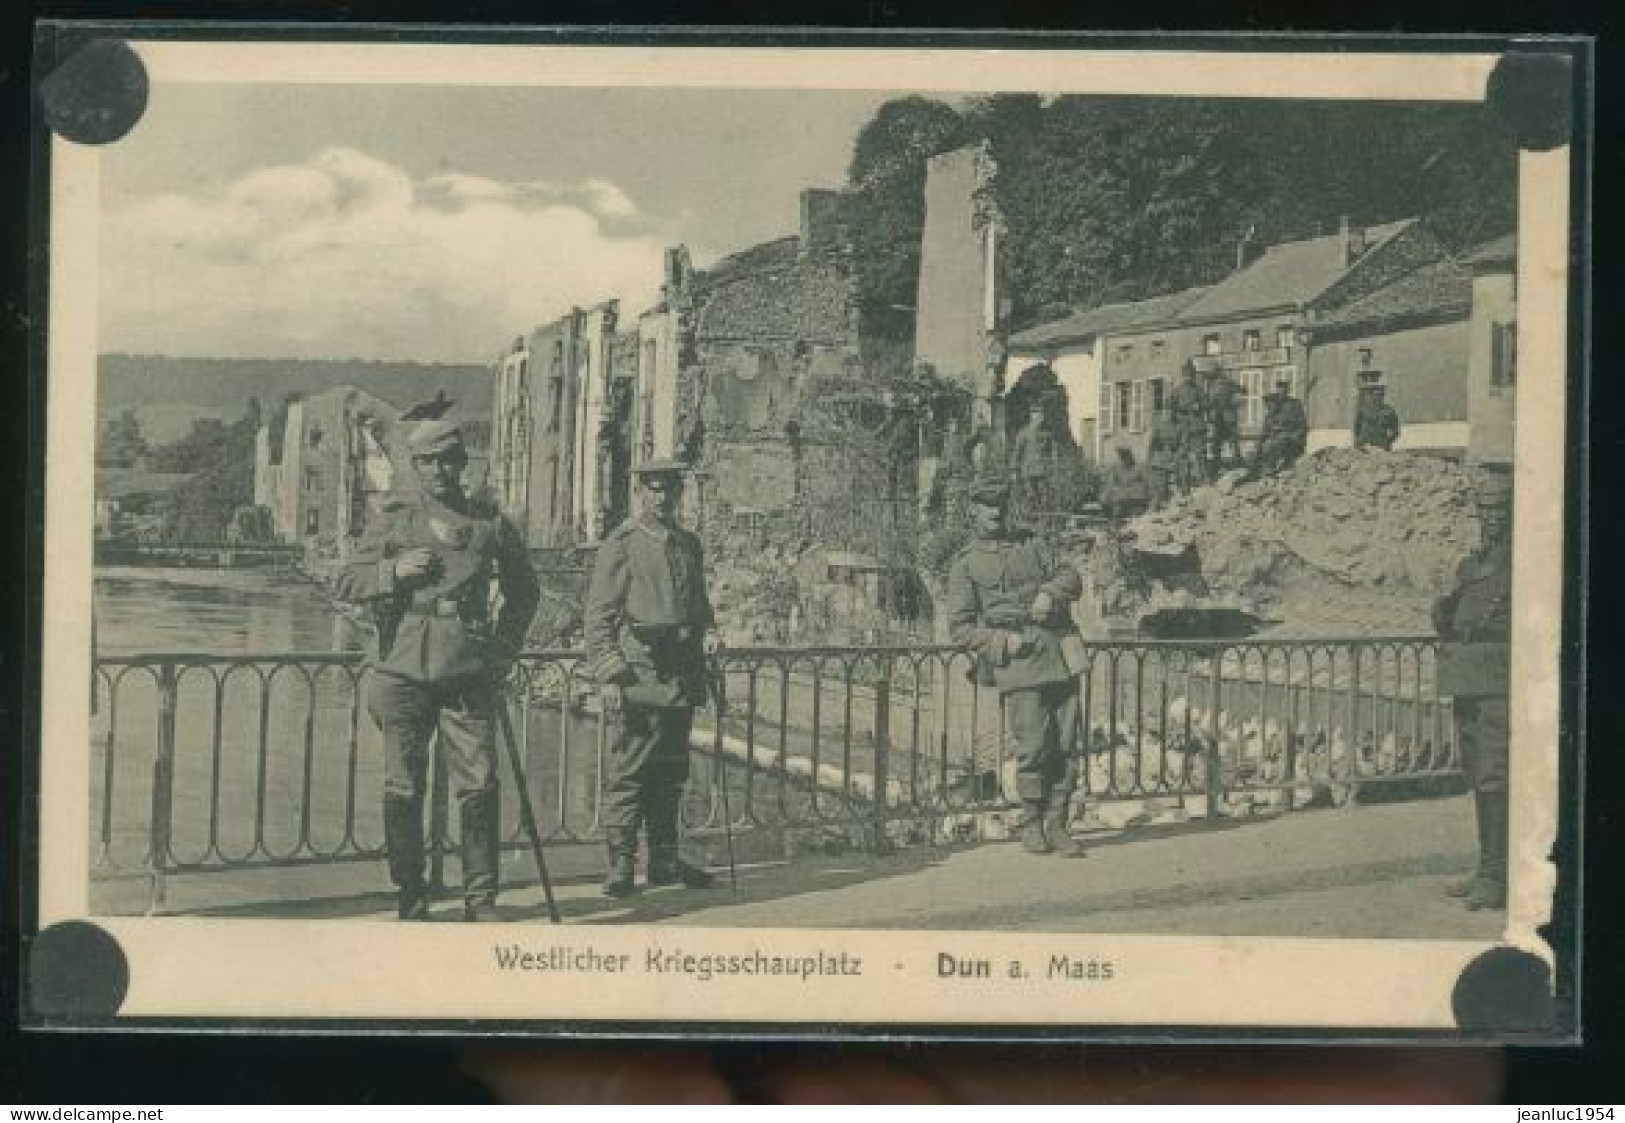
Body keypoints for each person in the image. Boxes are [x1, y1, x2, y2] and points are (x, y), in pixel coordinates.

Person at [336, 406, 540, 922]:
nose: (441, 471)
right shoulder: (394, 518)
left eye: (450, 461)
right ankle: (411, 892)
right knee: (403, 786)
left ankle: (481, 897)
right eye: (429, 462)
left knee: (480, 783)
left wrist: (503, 649)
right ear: (417, 466)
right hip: (401, 668)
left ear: (462, 464)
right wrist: (392, 571)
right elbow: (346, 581)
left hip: (468, 668)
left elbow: (525, 592)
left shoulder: (489, 523)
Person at [584, 458, 720, 898]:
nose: (662, 498)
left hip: (681, 675)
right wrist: (608, 677)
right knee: (629, 773)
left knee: (671, 773)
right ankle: (621, 865)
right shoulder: (621, 544)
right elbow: (599, 619)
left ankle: (664, 861)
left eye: (669, 490)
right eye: (653, 489)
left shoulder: (688, 545)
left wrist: (711, 633)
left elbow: (698, 604)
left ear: (679, 493)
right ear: (641, 492)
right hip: (639, 676)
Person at [947, 475, 1085, 857]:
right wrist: (999, 642)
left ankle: (1057, 824)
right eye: (987, 506)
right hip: (1018, 660)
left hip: (1059, 652)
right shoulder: (965, 564)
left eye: (1000, 505)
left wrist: (1048, 592)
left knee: (1068, 743)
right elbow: (959, 627)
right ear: (973, 511)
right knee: (1034, 746)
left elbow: (1071, 576)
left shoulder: (1032, 544)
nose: (995, 513)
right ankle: (1030, 822)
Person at [1431, 468, 1513, 912]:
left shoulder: (1520, 563)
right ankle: (1487, 867)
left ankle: (1497, 877)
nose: (1490, 518)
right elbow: (1448, 619)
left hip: (1498, 679)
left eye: (1499, 509)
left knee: (1494, 773)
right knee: (1477, 772)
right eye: (1484, 509)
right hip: (1465, 676)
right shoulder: (1472, 564)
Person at [1252, 378, 1309, 478]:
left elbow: (1303, 426)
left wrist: (1295, 436)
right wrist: (1258, 445)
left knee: (1276, 443)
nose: (1281, 391)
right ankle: (1260, 468)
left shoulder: (1295, 404)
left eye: (1283, 389)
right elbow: (1264, 431)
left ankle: (1271, 468)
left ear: (1287, 390)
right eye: (1279, 389)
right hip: (1278, 440)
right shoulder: (1273, 411)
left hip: (1293, 441)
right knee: (1263, 446)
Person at [1203, 368, 1245, 476]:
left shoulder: (1219, 385)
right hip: (1223, 417)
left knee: (1224, 442)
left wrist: (1233, 403)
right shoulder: (1216, 385)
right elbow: (1243, 391)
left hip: (1223, 417)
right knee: (1226, 442)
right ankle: (1233, 463)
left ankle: (1225, 465)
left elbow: (1242, 391)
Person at [1146, 404, 1183, 507]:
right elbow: (1152, 445)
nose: (1168, 414)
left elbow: (1182, 445)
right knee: (1159, 483)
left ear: (1174, 414)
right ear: (1163, 413)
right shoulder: (1158, 427)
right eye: (1166, 412)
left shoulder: (1179, 427)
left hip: (1173, 455)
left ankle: (1173, 500)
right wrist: (1149, 460)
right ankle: (1159, 502)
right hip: (1160, 457)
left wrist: (1176, 458)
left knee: (1175, 482)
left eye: (1170, 412)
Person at [1353, 379, 1401, 451]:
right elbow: (1357, 428)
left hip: (1381, 448)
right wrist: (1359, 441)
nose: (1378, 397)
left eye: (1381, 394)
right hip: (1364, 448)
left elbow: (1395, 431)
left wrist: (1387, 442)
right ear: (1372, 395)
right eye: (1376, 394)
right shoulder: (1364, 410)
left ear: (1383, 396)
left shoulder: (1389, 411)